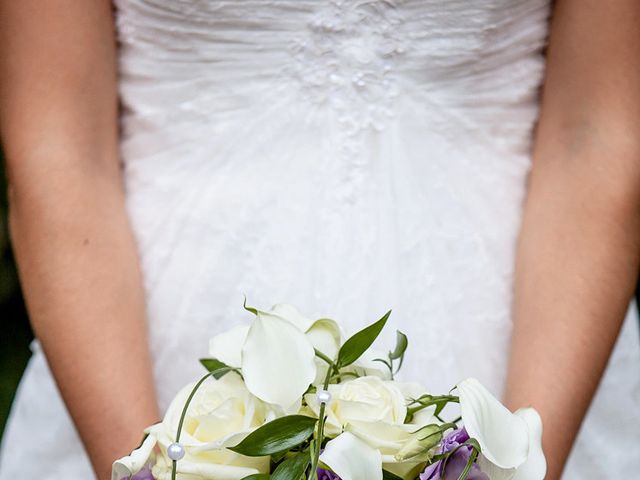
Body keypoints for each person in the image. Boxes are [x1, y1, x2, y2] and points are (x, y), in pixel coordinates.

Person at [1, 0, 639, 479]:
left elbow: (596, 133)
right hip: (137, 361)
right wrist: (142, 465)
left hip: (536, 356)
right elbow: (60, 146)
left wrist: (520, 461)